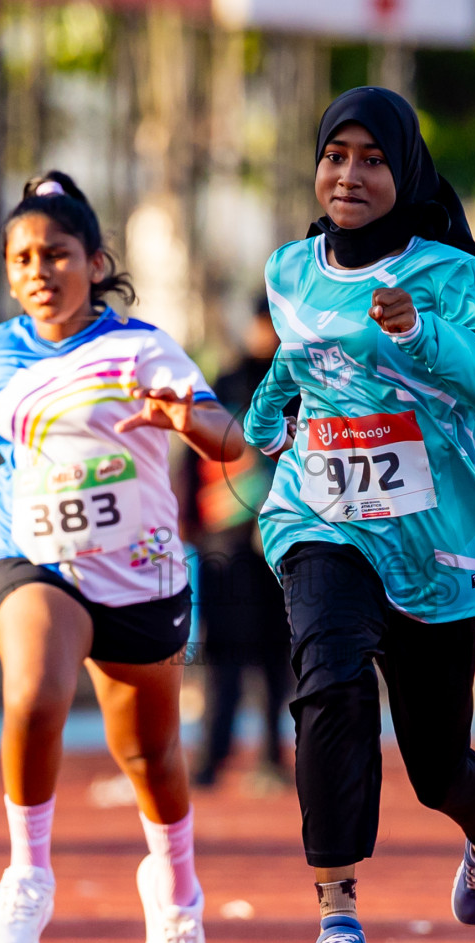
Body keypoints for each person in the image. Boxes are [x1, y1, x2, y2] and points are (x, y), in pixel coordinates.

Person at [0, 172, 243, 943]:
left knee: (149, 755)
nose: (37, 271)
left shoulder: (143, 348)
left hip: (140, 573)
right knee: (35, 690)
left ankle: (176, 888)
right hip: (32, 559)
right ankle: (29, 873)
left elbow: (228, 439)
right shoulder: (0, 351)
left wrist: (185, 417)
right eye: (20, 259)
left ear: (95, 262)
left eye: (55, 254)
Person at [242, 87, 475, 943]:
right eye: (336, 154)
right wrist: (265, 416)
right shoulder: (289, 269)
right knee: (326, 680)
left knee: (435, 765)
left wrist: (422, 332)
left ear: (403, 171)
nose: (349, 173)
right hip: (318, 520)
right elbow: (296, 360)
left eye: (372, 158)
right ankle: (337, 918)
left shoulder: (458, 281)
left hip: (434, 542)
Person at [183, 295, 295, 791]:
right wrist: (188, 516)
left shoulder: (303, 384)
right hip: (226, 537)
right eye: (263, 323)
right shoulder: (223, 384)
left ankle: (273, 756)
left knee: (278, 655)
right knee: (223, 653)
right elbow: (190, 452)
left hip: (286, 536)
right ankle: (212, 757)